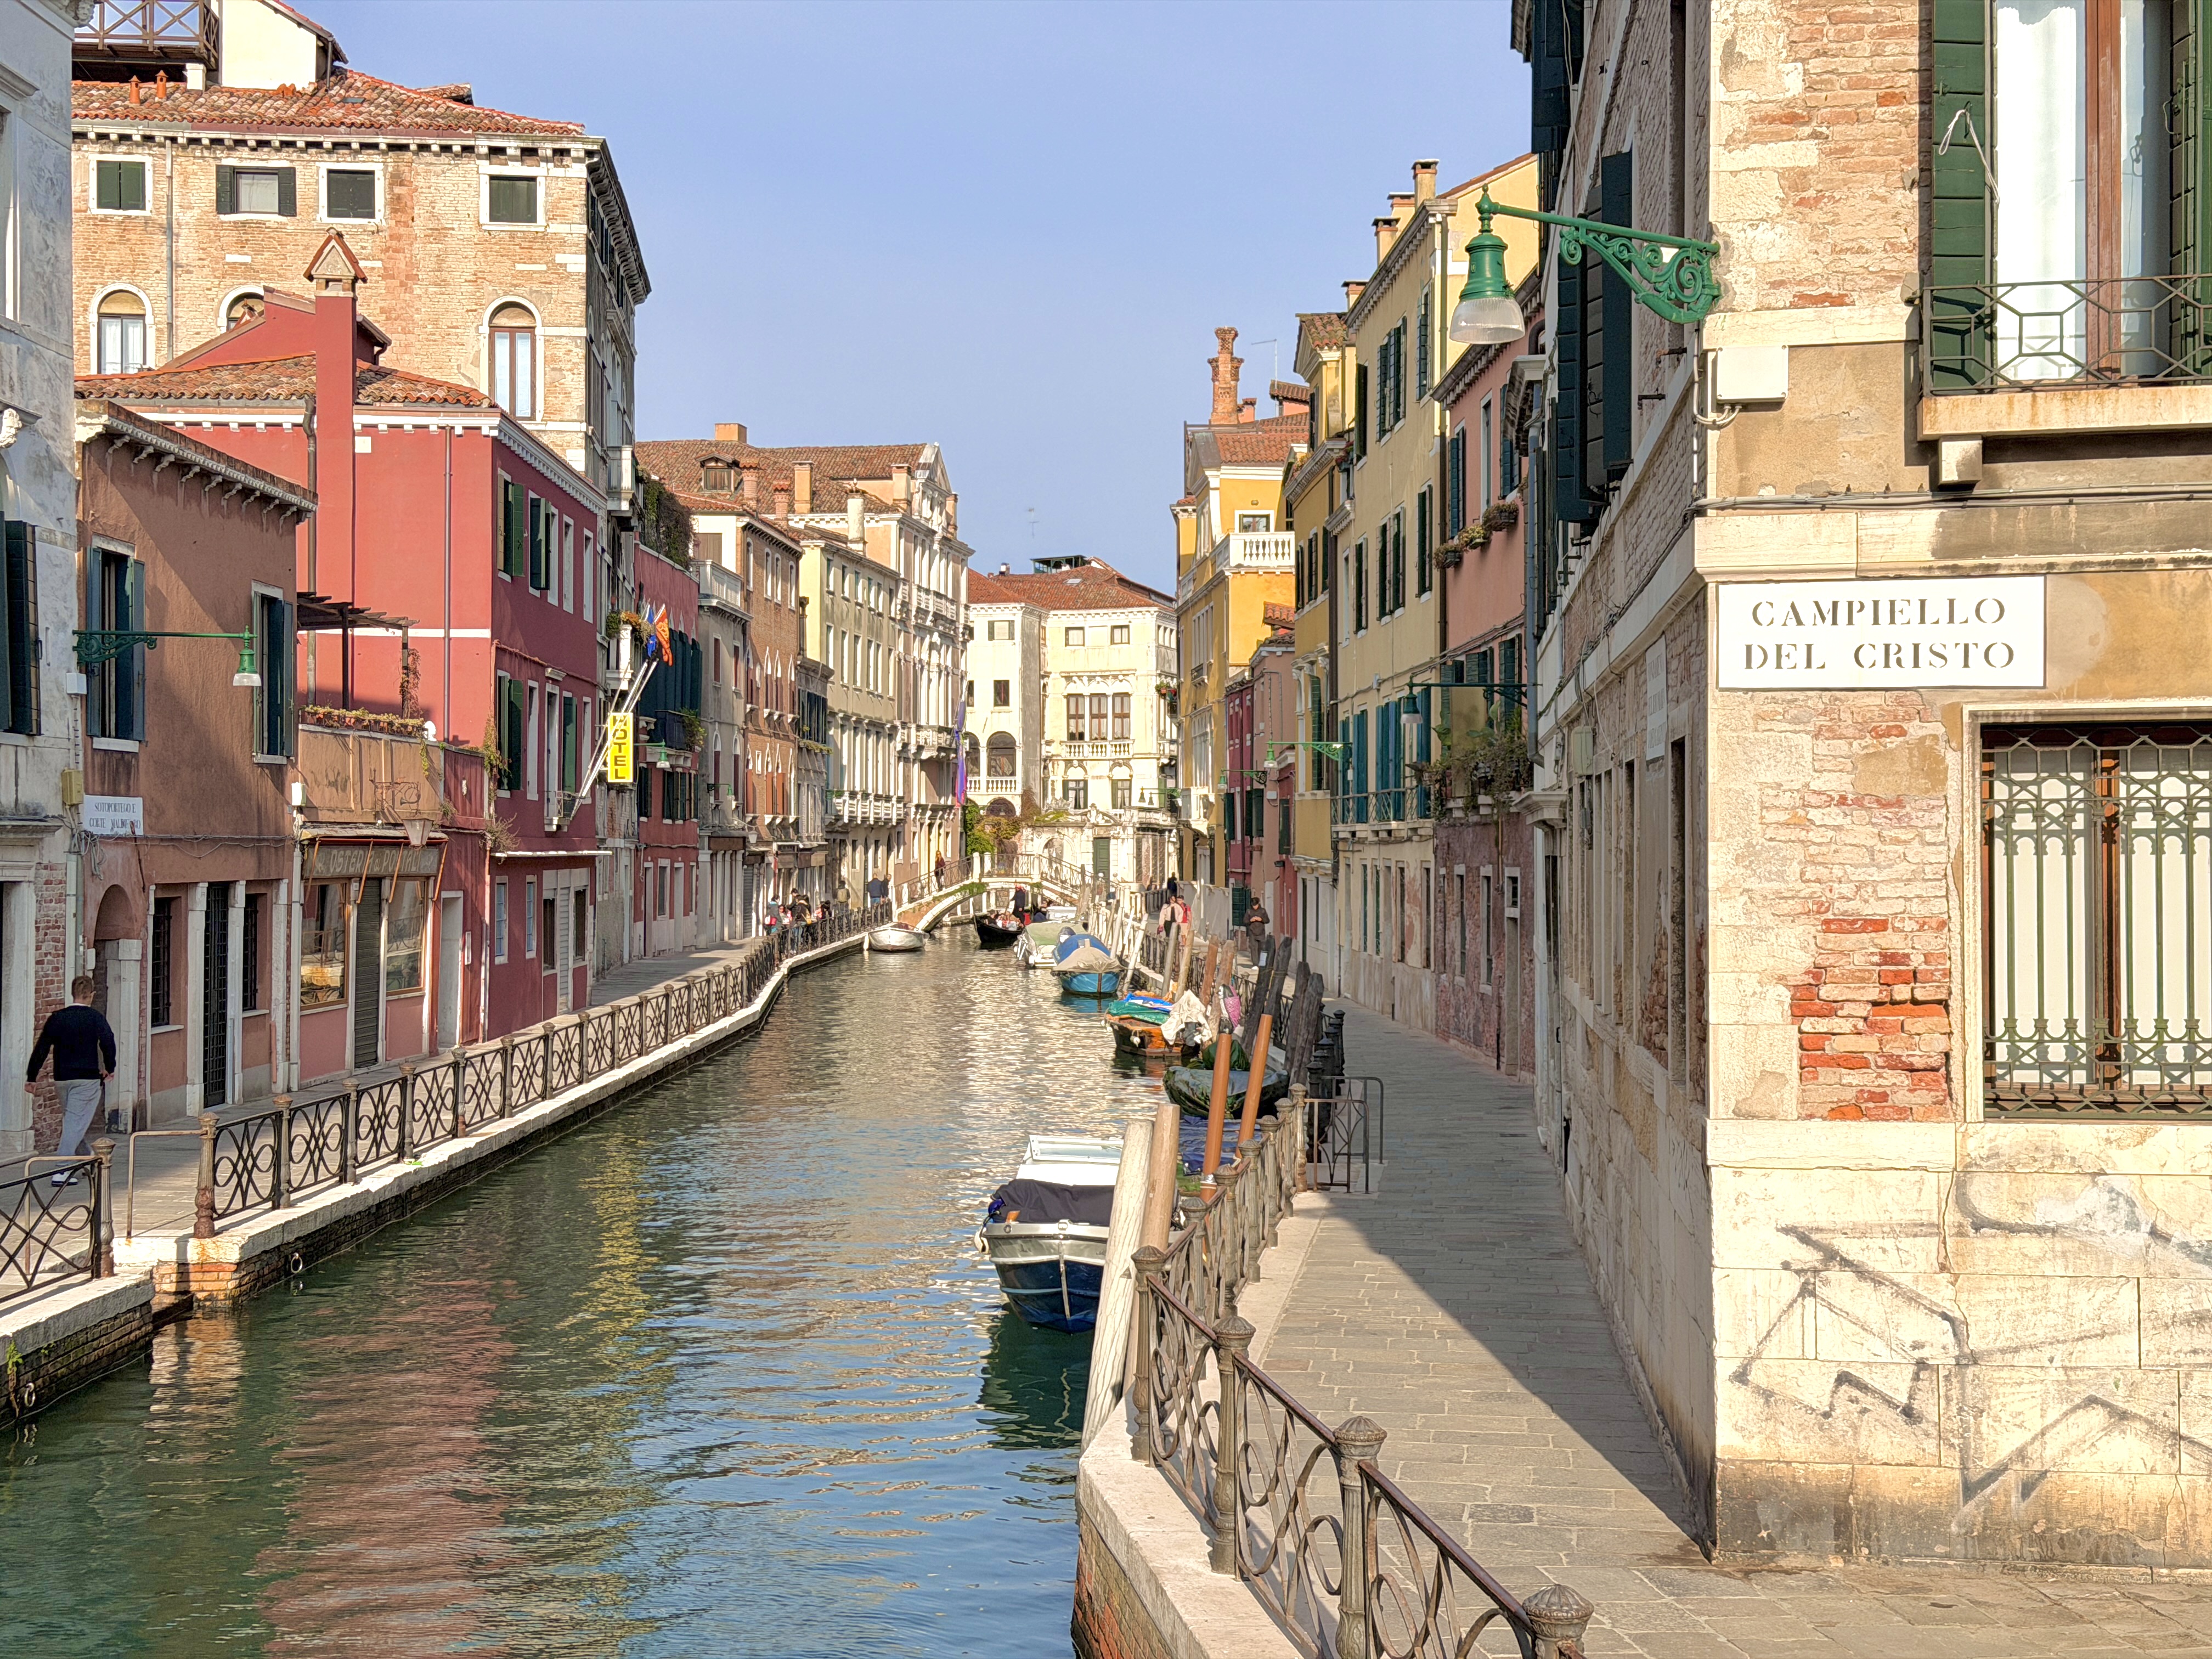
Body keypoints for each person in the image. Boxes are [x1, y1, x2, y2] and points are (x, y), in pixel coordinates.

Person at [28, 976, 116, 1187]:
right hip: (87, 1079)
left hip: (62, 1080)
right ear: (91, 995)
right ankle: (62, 1170)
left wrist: (32, 1077)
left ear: (72, 993)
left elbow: (42, 1048)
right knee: (75, 1122)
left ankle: (86, 1158)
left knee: (73, 1121)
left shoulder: (58, 1018)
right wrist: (110, 1067)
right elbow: (108, 1042)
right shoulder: (95, 1018)